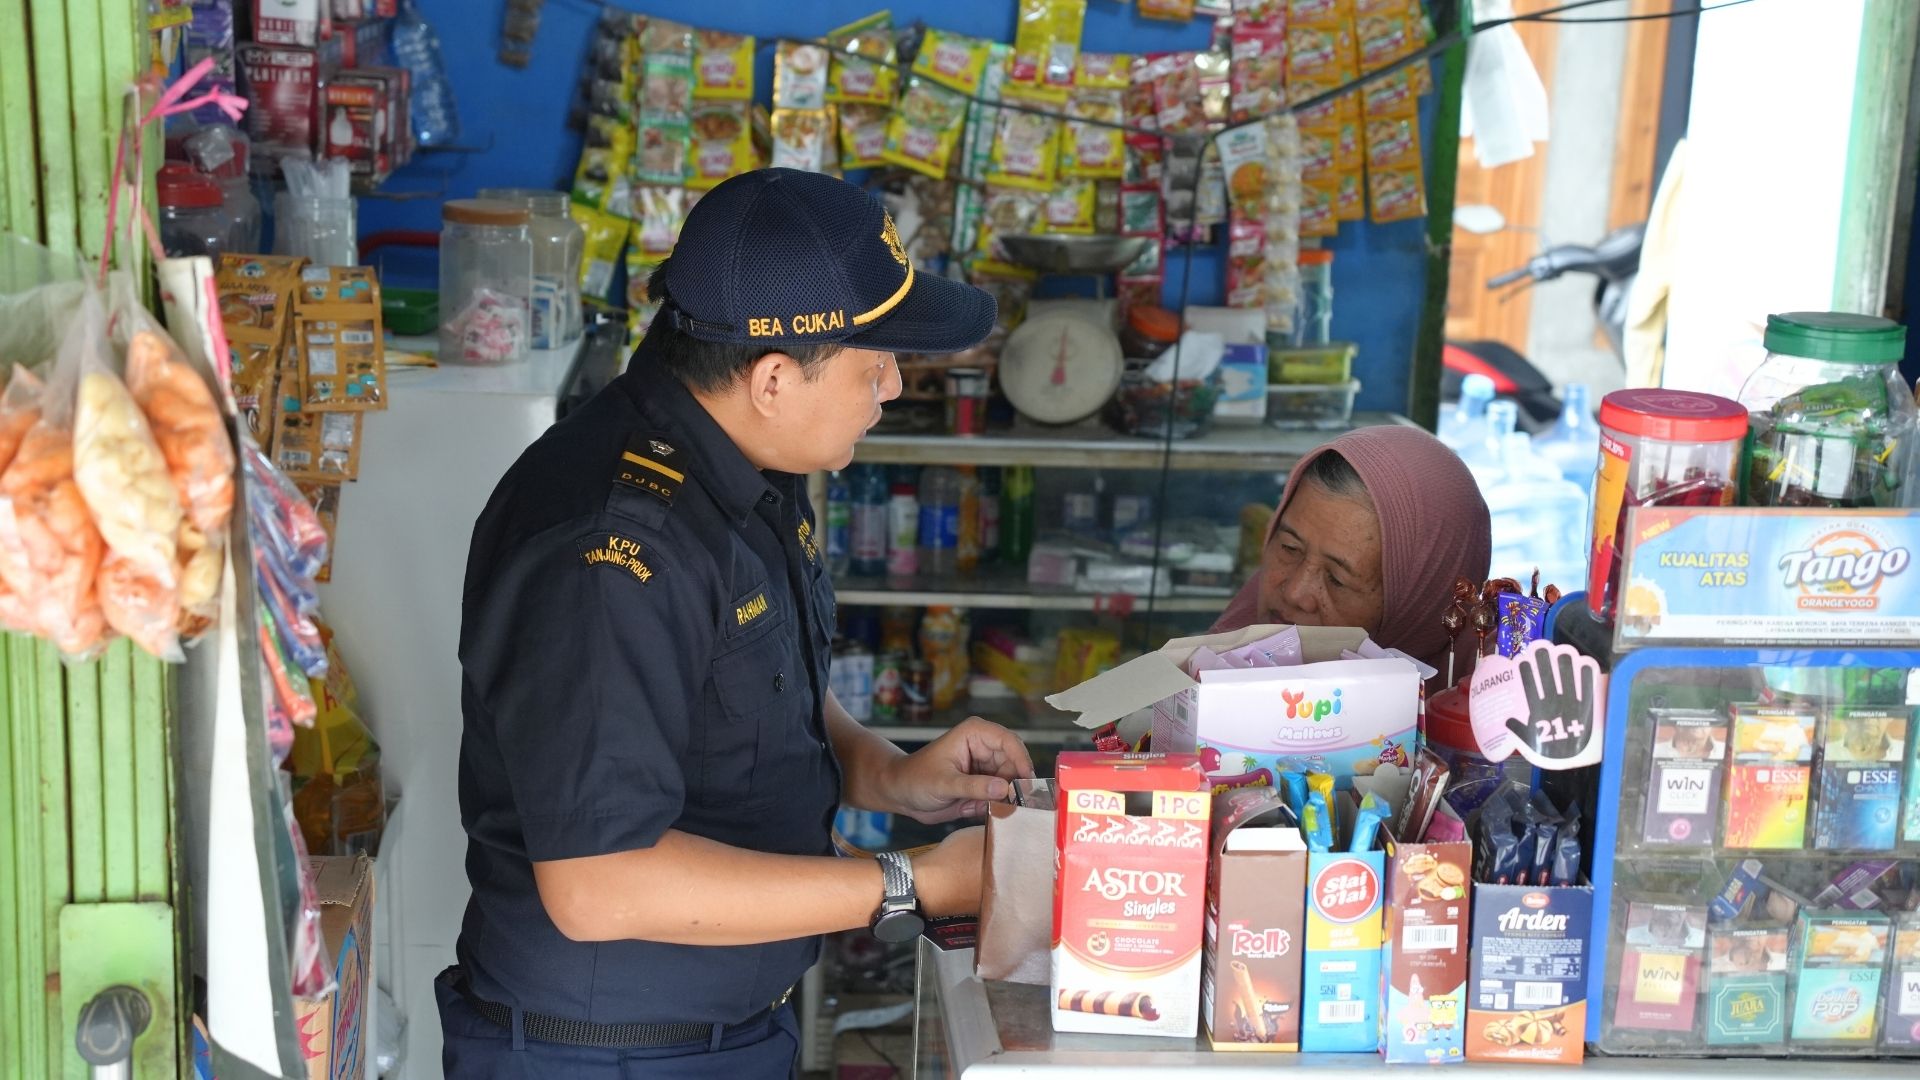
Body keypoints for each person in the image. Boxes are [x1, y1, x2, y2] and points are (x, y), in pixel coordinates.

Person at [443, 168, 1034, 1078]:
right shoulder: (614, 553)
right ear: (770, 377)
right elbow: (599, 884)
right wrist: (912, 883)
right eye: (874, 360)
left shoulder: (741, 464)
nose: (891, 387)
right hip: (607, 1058)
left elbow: (746, 687)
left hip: (717, 1033)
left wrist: (887, 776)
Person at [1212, 425, 1492, 678]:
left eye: (1337, 579)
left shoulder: (1484, 712)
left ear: (1419, 602)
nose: (1295, 593)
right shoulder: (1224, 658)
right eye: (1289, 548)